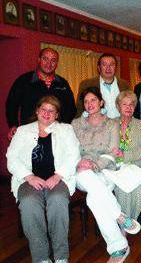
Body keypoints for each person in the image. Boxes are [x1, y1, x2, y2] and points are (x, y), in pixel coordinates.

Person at [6, 95, 80, 263]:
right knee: (29, 203)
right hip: (29, 180)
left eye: (51, 111)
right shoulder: (23, 130)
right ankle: (41, 258)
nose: (47, 113)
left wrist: (58, 175)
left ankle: (61, 256)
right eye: (43, 109)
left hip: (59, 179)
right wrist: (29, 176)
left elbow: (73, 155)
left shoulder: (66, 130)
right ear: (37, 110)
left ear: (56, 115)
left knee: (58, 200)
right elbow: (12, 157)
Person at [72, 87, 140, 263]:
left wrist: (96, 164)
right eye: (86, 101)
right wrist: (80, 163)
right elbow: (70, 150)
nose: (89, 104)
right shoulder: (76, 124)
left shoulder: (111, 124)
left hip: (105, 170)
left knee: (93, 199)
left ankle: (120, 247)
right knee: (86, 175)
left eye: (93, 100)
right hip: (81, 171)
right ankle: (119, 215)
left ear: (101, 102)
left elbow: (112, 152)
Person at [6, 47, 76, 141]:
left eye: (53, 60)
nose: (49, 64)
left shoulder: (63, 83)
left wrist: (62, 126)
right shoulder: (24, 81)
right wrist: (13, 125)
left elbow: (71, 108)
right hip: (30, 134)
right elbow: (11, 104)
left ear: (57, 64)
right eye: (45, 59)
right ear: (39, 60)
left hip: (56, 135)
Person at [113, 90, 141, 220]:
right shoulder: (109, 124)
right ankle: (125, 224)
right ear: (118, 107)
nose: (128, 107)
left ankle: (129, 221)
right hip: (117, 169)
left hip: (139, 167)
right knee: (122, 190)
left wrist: (125, 155)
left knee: (139, 190)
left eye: (131, 104)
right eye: (125, 104)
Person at [76, 53, 130, 118]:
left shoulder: (125, 85)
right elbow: (79, 109)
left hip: (121, 125)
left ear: (116, 67)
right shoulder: (86, 84)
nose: (108, 68)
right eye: (104, 65)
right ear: (99, 68)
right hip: (97, 126)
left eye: (111, 65)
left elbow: (131, 106)